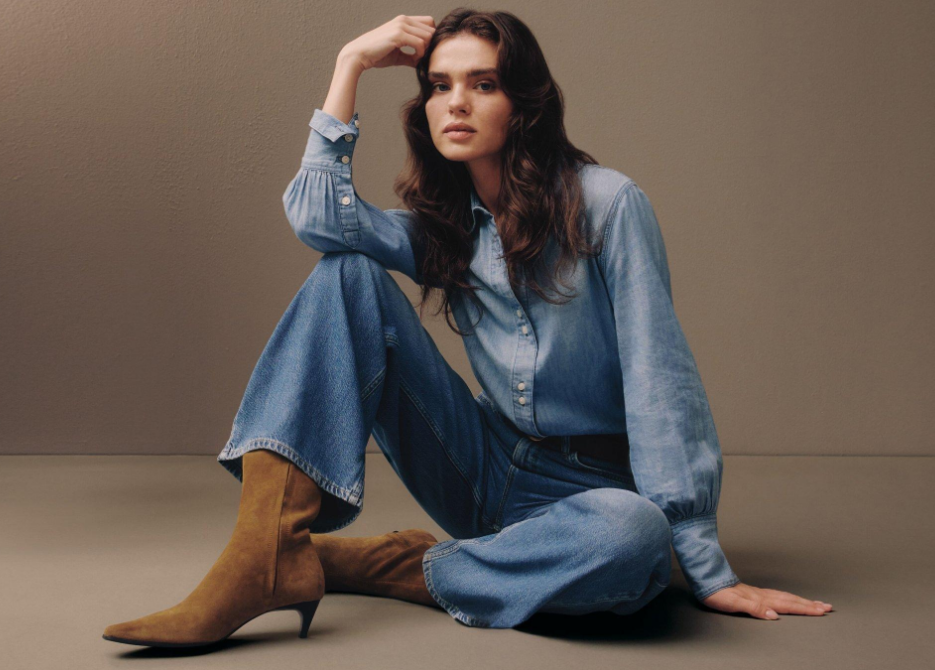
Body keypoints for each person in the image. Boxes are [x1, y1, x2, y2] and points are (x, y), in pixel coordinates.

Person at [102, 9, 833, 648]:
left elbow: (660, 380)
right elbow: (320, 221)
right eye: (439, 85)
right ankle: (265, 551)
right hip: (484, 468)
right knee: (346, 274)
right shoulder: (445, 229)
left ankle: (385, 565)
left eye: (483, 84)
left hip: (596, 498)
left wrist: (703, 565)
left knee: (632, 538)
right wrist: (350, 62)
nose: (456, 102)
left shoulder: (608, 205)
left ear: (524, 104)